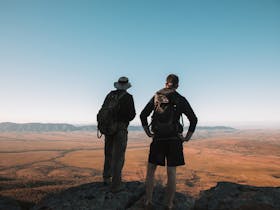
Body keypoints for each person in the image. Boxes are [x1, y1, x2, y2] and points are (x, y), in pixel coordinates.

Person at [140, 74, 197, 210]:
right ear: (177, 85)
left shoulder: (156, 97)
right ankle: (169, 204)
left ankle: (148, 201)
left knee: (150, 172)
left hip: (158, 139)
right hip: (174, 140)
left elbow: (143, 115)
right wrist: (187, 137)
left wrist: (148, 132)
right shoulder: (180, 99)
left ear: (166, 83)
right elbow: (193, 119)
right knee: (171, 173)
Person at [101, 76, 136, 192]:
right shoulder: (128, 97)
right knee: (119, 156)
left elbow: (103, 109)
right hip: (120, 129)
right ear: (126, 86)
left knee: (108, 153)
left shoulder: (110, 95)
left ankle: (106, 178)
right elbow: (132, 114)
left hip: (108, 128)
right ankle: (116, 184)